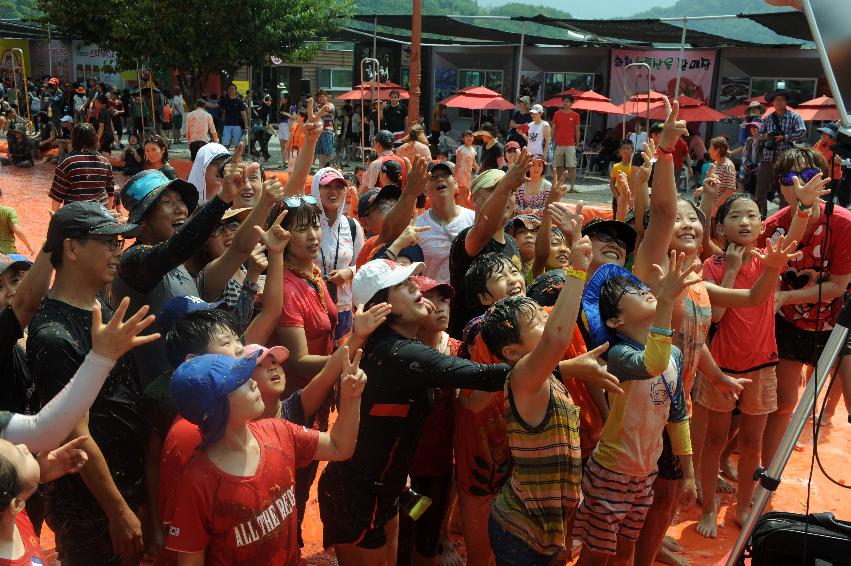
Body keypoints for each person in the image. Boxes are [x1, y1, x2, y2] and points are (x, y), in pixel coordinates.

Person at [318, 259, 515, 565]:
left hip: (388, 489)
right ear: (380, 306)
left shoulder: (393, 345)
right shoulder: (397, 353)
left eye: (412, 279)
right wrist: (560, 365)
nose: (415, 285)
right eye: (401, 284)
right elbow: (484, 376)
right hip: (356, 495)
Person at [26, 203, 153, 566]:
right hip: (90, 503)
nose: (118, 252)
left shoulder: (99, 306)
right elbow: (75, 435)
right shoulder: (55, 336)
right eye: (108, 242)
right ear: (72, 249)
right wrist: (117, 510)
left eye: (119, 242)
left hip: (125, 482)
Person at [164, 347, 366, 564]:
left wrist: (351, 397)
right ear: (216, 407)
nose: (251, 381)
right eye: (240, 381)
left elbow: (339, 446)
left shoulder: (278, 431)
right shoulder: (198, 483)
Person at [480, 220, 600, 565]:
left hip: (542, 527)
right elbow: (556, 338)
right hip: (519, 530)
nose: (547, 321)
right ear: (513, 353)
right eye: (536, 321)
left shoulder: (546, 377)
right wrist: (577, 269)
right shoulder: (522, 378)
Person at [575, 252, 696, 566]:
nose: (646, 291)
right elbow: (651, 364)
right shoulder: (618, 356)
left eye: (646, 290)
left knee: (625, 550)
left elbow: (678, 416)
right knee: (597, 554)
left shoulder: (675, 356)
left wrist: (690, 473)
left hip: (646, 473)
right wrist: (666, 303)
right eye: (635, 293)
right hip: (612, 471)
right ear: (616, 321)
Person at [109, 162, 238, 386]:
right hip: (156, 393)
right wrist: (222, 198)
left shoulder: (178, 262)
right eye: (167, 203)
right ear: (143, 220)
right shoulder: (134, 261)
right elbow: (179, 246)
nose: (180, 209)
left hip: (193, 383)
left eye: (180, 201)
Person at [759, 146, 850, 459]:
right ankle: (767, 476)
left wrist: (786, 296)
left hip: (836, 322)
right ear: (779, 186)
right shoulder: (772, 227)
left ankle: (824, 416)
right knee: (783, 403)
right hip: (789, 322)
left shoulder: (843, 223)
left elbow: (838, 286)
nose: (800, 185)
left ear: (824, 181)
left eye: (809, 175)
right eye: (790, 178)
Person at [448, 155, 532, 338]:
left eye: (511, 192)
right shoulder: (468, 239)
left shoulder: (511, 242)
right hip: (470, 344)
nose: (506, 196)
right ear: (474, 198)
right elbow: (485, 224)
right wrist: (507, 185)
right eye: (495, 190)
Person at [310, 167, 364, 339]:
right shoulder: (306, 224)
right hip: (311, 305)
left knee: (341, 359)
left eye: (339, 187)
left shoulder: (353, 226)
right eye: (327, 186)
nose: (333, 192)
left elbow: (364, 265)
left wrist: (349, 272)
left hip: (343, 308)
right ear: (316, 190)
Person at [754, 91, 807, 216]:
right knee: (760, 189)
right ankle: (760, 217)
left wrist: (784, 137)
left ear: (786, 102)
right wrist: (766, 136)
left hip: (786, 160)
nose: (779, 101)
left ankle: (783, 216)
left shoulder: (794, 117)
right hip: (768, 157)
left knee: (785, 190)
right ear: (772, 102)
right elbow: (759, 135)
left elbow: (802, 132)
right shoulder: (767, 118)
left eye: (782, 99)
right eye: (776, 99)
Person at [49, 123, 118, 212]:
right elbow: (110, 192)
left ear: (74, 140)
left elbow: (57, 195)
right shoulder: (104, 162)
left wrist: (53, 219)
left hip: (75, 216)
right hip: (101, 215)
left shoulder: (66, 162)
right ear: (94, 140)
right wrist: (108, 215)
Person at [551, 94, 582, 191]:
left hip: (570, 144)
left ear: (572, 103)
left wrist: (577, 142)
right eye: (564, 101)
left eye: (568, 101)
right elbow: (553, 128)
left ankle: (572, 187)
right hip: (558, 144)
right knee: (558, 166)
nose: (565, 103)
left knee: (571, 166)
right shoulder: (557, 114)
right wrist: (549, 141)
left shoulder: (576, 115)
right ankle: (560, 185)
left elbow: (577, 130)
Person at [707, 136, 737, 218]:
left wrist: (716, 206)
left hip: (722, 209)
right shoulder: (716, 163)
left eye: (710, 148)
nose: (708, 151)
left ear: (717, 151)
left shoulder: (728, 166)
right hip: (714, 206)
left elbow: (730, 189)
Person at [219, 83, 247, 149]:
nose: (231, 90)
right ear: (227, 90)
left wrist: (246, 126)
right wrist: (203, 104)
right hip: (226, 125)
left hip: (237, 125)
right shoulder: (224, 100)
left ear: (235, 90)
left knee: (237, 145)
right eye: (229, 88)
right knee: (225, 144)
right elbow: (215, 105)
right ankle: (225, 158)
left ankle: (236, 159)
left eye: (233, 88)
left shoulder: (239, 101)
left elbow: (244, 114)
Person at [610, 140, 634, 218]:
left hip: (630, 199)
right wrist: (618, 198)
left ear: (632, 151)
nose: (625, 150)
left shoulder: (634, 168)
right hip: (618, 196)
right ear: (620, 151)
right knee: (616, 218)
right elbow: (612, 184)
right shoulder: (616, 166)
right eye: (623, 148)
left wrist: (631, 198)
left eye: (628, 148)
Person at [454, 130, 478, 208]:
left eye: (470, 136)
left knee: (467, 193)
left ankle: (461, 208)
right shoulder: (461, 149)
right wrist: (454, 176)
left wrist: (481, 172)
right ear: (464, 138)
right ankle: (462, 211)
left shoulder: (473, 149)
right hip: (461, 173)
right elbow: (457, 164)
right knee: (462, 193)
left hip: (468, 174)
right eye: (466, 136)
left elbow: (474, 163)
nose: (469, 138)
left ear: (473, 138)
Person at [315, 90, 337, 167]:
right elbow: (314, 117)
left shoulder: (330, 105)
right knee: (320, 154)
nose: (321, 98)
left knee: (329, 153)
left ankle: (333, 168)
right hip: (319, 132)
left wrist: (319, 113)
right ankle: (321, 170)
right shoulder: (316, 106)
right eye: (319, 97)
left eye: (322, 96)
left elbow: (329, 111)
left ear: (326, 97)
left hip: (327, 131)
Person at [278, 94, 294, 163]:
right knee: (282, 144)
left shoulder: (291, 107)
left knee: (288, 144)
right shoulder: (281, 106)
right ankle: (284, 160)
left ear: (286, 99)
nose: (281, 99)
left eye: (282, 98)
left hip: (287, 125)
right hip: (281, 126)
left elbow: (295, 117)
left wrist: (286, 114)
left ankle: (289, 160)